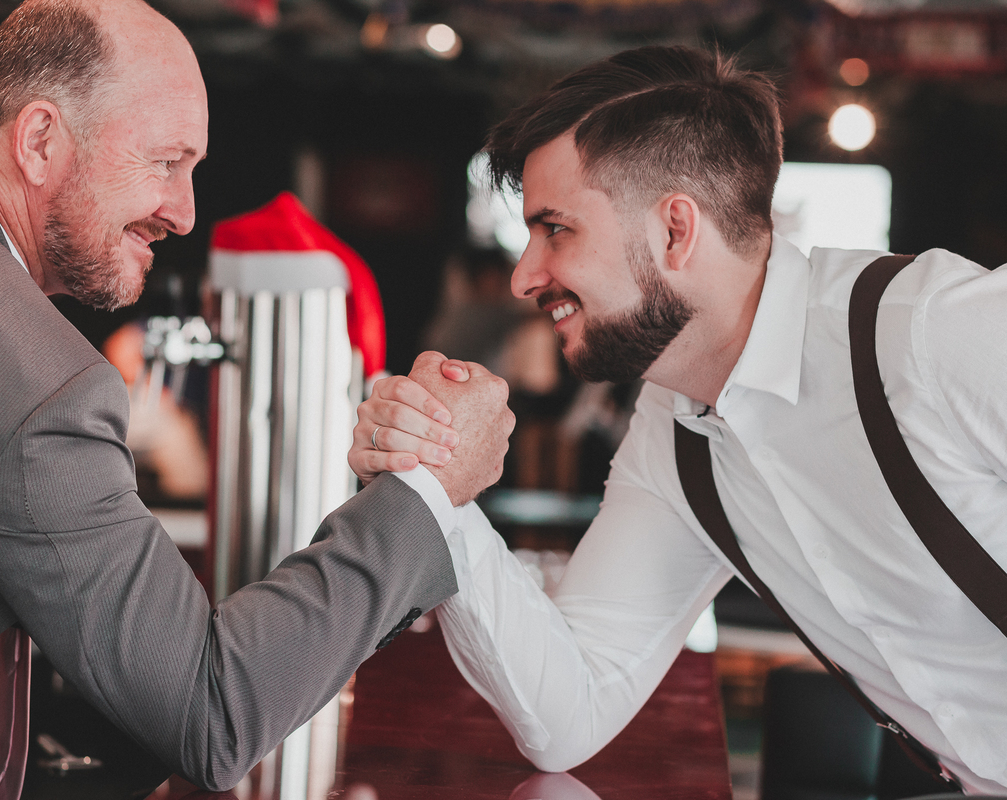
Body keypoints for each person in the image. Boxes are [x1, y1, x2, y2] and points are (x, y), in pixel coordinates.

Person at [0, 0, 514, 788]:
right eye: (165, 162)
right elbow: (211, 712)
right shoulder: (36, 394)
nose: (184, 212)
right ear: (39, 141)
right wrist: (429, 490)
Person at [349, 46, 1007, 794]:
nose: (523, 274)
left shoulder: (936, 333)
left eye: (555, 230)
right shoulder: (676, 435)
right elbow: (568, 712)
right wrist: (443, 488)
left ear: (674, 231)